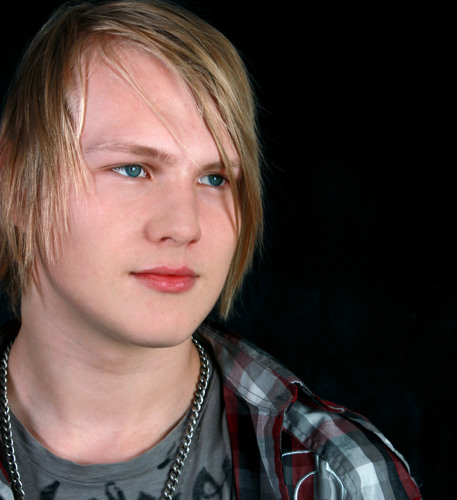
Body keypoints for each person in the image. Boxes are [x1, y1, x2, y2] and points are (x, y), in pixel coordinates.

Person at [0, 1, 421, 498]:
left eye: (214, 178)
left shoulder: (340, 477)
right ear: (17, 183)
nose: (185, 226)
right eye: (133, 169)